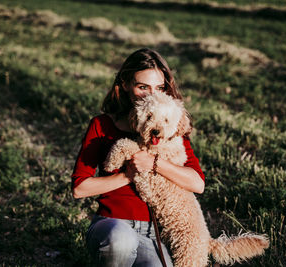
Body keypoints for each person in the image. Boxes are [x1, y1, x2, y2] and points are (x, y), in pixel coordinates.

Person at [71, 48, 205, 267]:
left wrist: (154, 163)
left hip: (153, 234)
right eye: (143, 87)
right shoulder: (102, 125)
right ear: (125, 84)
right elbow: (79, 188)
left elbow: (197, 184)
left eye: (159, 87)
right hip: (112, 224)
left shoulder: (169, 130)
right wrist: (127, 175)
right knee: (121, 241)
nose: (152, 95)